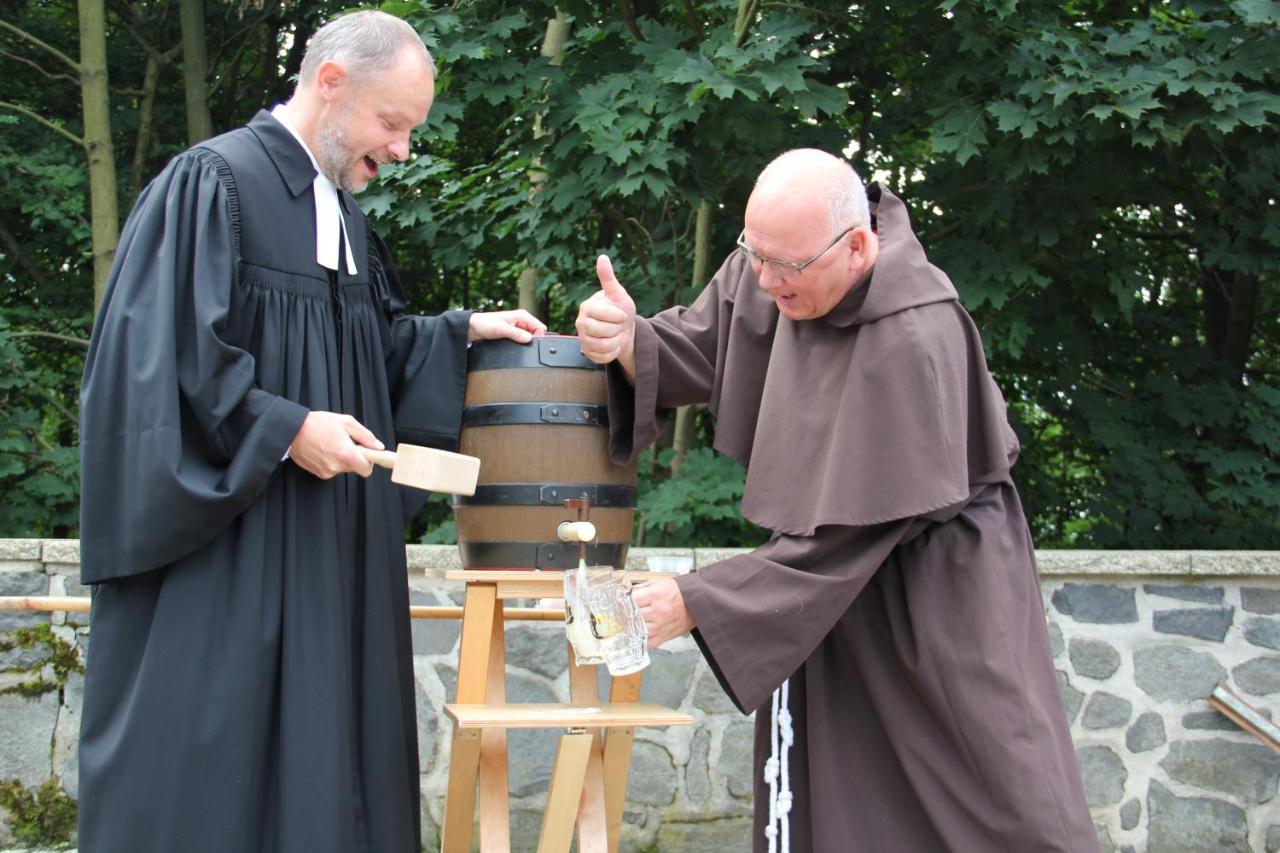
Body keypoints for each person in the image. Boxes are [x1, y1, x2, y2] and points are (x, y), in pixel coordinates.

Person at [76, 11, 544, 853]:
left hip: (330, 566)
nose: (401, 149)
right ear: (330, 83)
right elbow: (157, 369)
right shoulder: (211, 184)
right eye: (392, 124)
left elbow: (364, 363)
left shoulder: (346, 224)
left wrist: (456, 334)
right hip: (230, 567)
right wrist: (289, 429)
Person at [576, 149, 1097, 852]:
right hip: (823, 598)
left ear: (857, 246)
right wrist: (627, 339)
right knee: (843, 811)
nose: (764, 281)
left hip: (934, 606)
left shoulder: (919, 333)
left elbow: (849, 536)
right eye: (753, 255)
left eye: (782, 268)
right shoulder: (780, 261)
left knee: (995, 793)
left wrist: (699, 598)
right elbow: (699, 344)